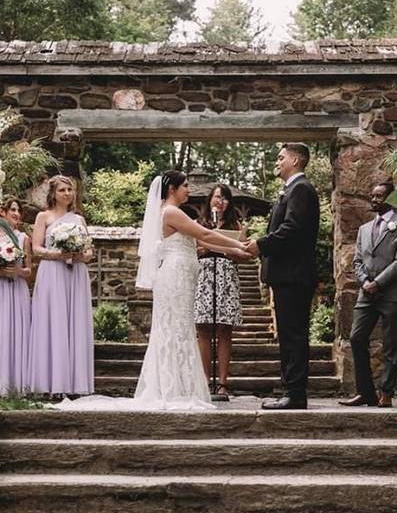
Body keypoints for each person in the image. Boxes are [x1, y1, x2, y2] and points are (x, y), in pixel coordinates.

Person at [59, 170, 247, 411]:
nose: (189, 190)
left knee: (180, 328)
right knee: (174, 329)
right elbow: (205, 233)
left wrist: (239, 252)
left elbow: (202, 242)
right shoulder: (170, 212)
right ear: (172, 189)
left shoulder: (172, 212)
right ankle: (172, 388)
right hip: (175, 277)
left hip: (182, 277)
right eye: (185, 186)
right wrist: (240, 243)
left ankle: (180, 385)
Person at [244, 143, 319, 411]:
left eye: (281, 157)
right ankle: (290, 389)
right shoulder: (292, 190)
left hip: (294, 275)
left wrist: (261, 245)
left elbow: (292, 230)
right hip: (286, 275)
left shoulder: (301, 189)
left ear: (296, 160)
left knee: (294, 335)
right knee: (288, 335)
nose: (276, 161)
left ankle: (295, 394)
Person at [340, 183, 397, 408]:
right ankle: (366, 392)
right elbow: (357, 260)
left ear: (390, 198)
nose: (373, 200)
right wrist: (365, 281)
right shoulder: (364, 229)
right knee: (356, 337)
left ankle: (386, 391)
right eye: (371, 195)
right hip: (366, 293)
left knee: (391, 344)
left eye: (379, 196)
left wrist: (378, 282)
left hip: (392, 293)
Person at [29, 175, 95, 397]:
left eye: (70, 190)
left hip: (76, 273)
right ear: (53, 194)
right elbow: (36, 249)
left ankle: (76, 383)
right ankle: (50, 382)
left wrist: (78, 255)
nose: (67, 193)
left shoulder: (79, 220)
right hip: (52, 272)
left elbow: (89, 252)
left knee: (75, 321)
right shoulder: (43, 217)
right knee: (53, 321)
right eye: (62, 190)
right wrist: (59, 253)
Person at [194, 183, 247, 398]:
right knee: (204, 328)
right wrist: (209, 245)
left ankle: (223, 382)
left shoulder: (237, 226)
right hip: (205, 274)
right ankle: (205, 381)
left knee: (225, 329)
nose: (220, 201)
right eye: (217, 197)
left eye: (225, 198)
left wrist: (224, 249)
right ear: (210, 200)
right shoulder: (199, 223)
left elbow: (243, 253)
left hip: (227, 275)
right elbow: (195, 249)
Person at [0, 197, 33, 393]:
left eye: (19, 211)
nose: (17, 214)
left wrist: (17, 272)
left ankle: (15, 383)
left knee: (15, 330)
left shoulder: (23, 238)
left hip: (16, 289)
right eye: (13, 209)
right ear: (2, 212)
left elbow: (29, 271)